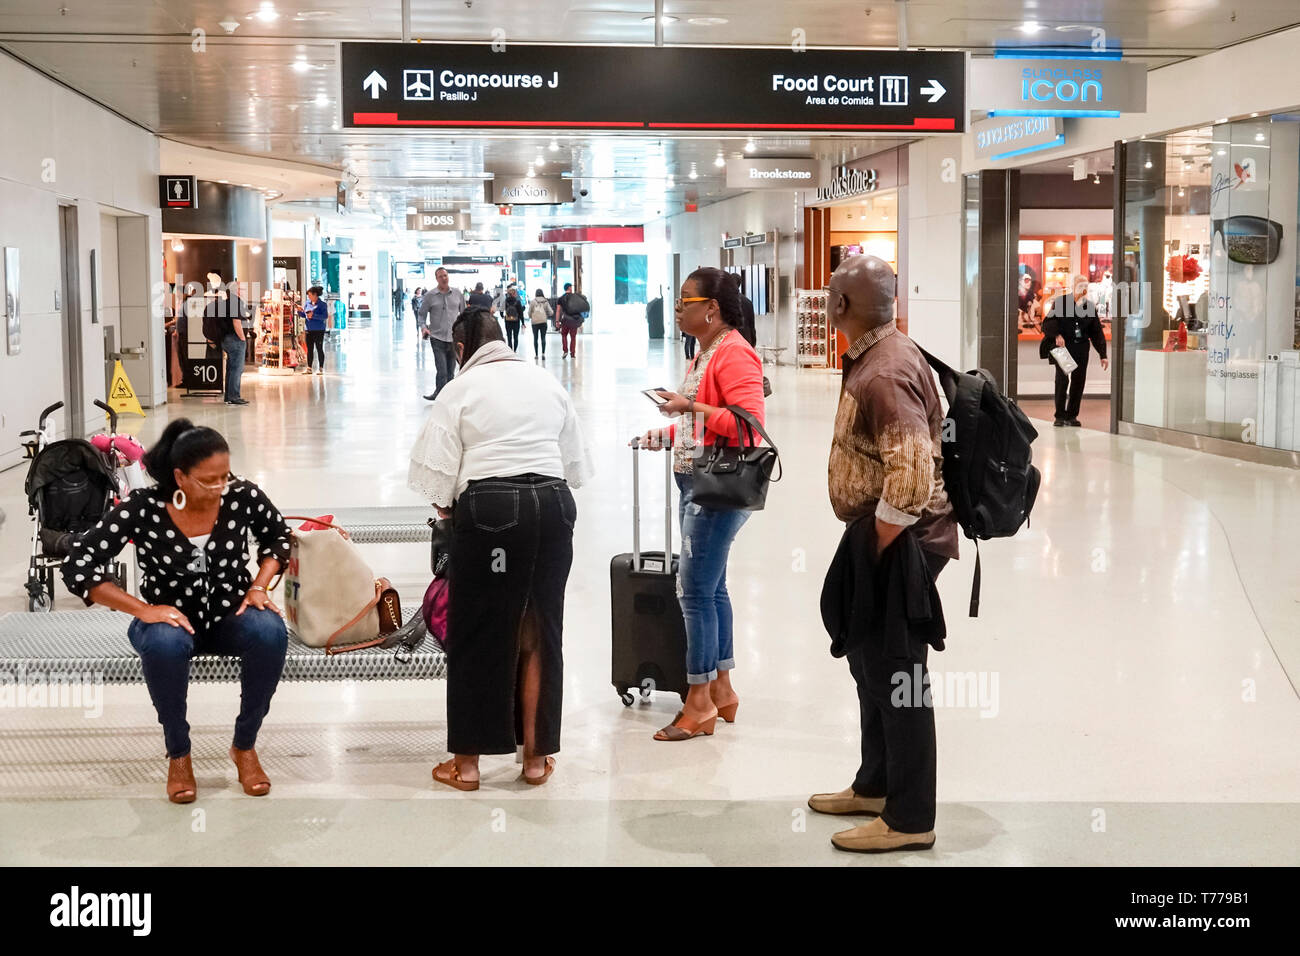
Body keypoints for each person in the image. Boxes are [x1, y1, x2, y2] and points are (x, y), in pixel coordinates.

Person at [808, 254, 958, 854]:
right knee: (870, 663)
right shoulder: (882, 353)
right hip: (887, 535)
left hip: (902, 540)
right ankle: (875, 785)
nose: (825, 304)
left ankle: (910, 817)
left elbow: (912, 476)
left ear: (841, 307)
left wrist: (875, 547)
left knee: (900, 676)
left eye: (829, 296)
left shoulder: (884, 374)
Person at [408, 308, 592, 790]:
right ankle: (534, 761)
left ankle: (466, 765)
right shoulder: (546, 381)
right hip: (553, 506)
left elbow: (435, 479)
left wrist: (459, 516)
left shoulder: (459, 389)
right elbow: (575, 465)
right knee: (540, 631)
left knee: (478, 633)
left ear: (462, 348)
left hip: (490, 508)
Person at [62, 420, 292, 804]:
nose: (221, 487)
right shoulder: (143, 508)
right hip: (167, 620)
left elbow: (278, 538)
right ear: (180, 477)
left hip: (229, 613)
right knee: (165, 646)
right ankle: (179, 754)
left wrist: (258, 586)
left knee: (270, 633)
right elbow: (80, 564)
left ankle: (245, 745)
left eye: (226, 475)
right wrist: (143, 609)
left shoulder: (242, 496)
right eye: (209, 480)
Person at [633, 266, 763, 742]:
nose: (679, 308)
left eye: (686, 300)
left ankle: (699, 701)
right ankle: (723, 689)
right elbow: (701, 424)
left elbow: (748, 426)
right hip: (698, 481)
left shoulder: (734, 355)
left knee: (693, 592)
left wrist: (688, 408)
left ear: (712, 309)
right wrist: (664, 434)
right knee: (713, 588)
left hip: (718, 490)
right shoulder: (705, 353)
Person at [1041, 273, 1109, 427]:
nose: (1083, 289)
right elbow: (1048, 322)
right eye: (1080, 286)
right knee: (1062, 380)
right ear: (1073, 287)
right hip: (1063, 347)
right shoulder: (1061, 302)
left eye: (1086, 286)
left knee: (1078, 381)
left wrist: (1103, 354)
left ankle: (1072, 415)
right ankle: (1059, 415)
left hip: (1081, 348)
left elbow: (1097, 332)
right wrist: (1056, 335)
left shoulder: (1089, 306)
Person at [202, 270, 251, 406]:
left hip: (225, 339)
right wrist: (242, 339)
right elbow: (236, 322)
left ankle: (229, 397)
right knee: (237, 369)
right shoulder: (236, 302)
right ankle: (234, 396)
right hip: (234, 339)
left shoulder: (227, 302)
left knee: (231, 368)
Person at [419, 268, 465, 400]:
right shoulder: (430, 296)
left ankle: (448, 396)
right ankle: (439, 394)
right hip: (437, 338)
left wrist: (463, 332)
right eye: (440, 276)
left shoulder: (457, 293)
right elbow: (421, 315)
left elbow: (464, 314)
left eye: (445, 275)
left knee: (451, 371)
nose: (444, 278)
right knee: (442, 370)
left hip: (453, 339)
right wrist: (424, 328)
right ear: (436, 279)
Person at [298, 285, 329, 375]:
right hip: (309, 329)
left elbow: (325, 316)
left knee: (319, 348)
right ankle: (309, 368)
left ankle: (321, 368)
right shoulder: (307, 303)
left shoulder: (322, 305)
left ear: (315, 295)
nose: (309, 297)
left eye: (310, 295)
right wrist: (300, 311)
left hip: (319, 330)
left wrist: (314, 316)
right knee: (310, 349)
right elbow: (304, 315)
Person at [557, 282, 585, 359]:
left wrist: (557, 321)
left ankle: (565, 350)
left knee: (564, 335)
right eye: (571, 287)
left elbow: (558, 311)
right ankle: (572, 354)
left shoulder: (561, 298)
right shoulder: (575, 297)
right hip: (573, 320)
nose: (571, 288)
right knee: (573, 337)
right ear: (569, 288)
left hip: (565, 320)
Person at [499, 284, 526, 352]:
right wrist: (523, 322)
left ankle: (510, 349)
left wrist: (502, 316)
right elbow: (521, 313)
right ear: (514, 294)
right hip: (516, 321)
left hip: (508, 321)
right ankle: (515, 350)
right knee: (515, 336)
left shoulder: (505, 301)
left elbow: (501, 311)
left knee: (509, 336)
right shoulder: (518, 302)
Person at [529, 287, 554, 359]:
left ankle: (536, 355)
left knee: (535, 338)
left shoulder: (533, 301)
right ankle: (543, 354)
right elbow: (551, 312)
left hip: (535, 322)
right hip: (543, 322)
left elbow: (529, 312)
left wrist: (532, 317)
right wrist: (546, 315)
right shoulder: (545, 301)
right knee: (543, 337)